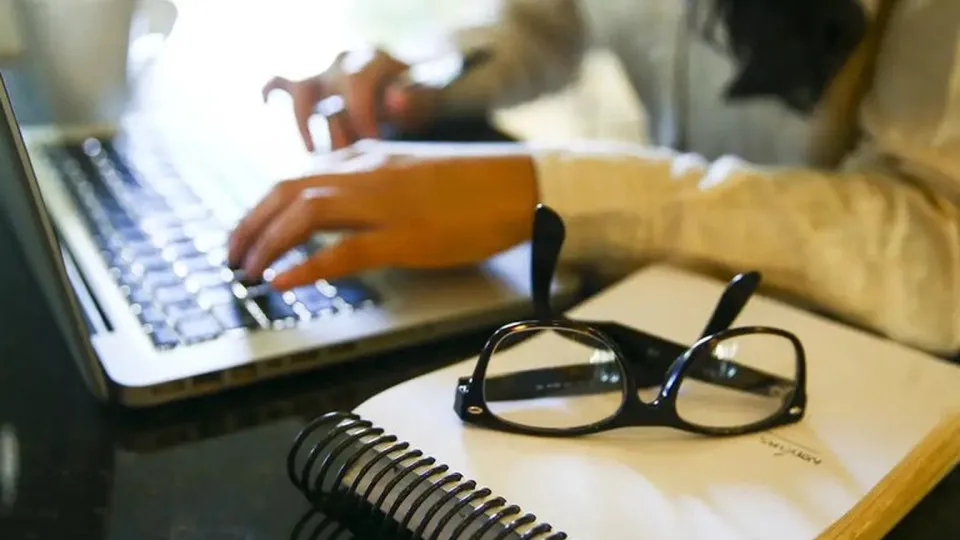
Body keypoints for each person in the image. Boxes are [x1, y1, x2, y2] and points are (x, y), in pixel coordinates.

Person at [227, 0, 960, 356]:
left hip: (857, 366)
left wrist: (558, 192)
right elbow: (549, 23)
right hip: (677, 313)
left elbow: (942, 242)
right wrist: (424, 79)